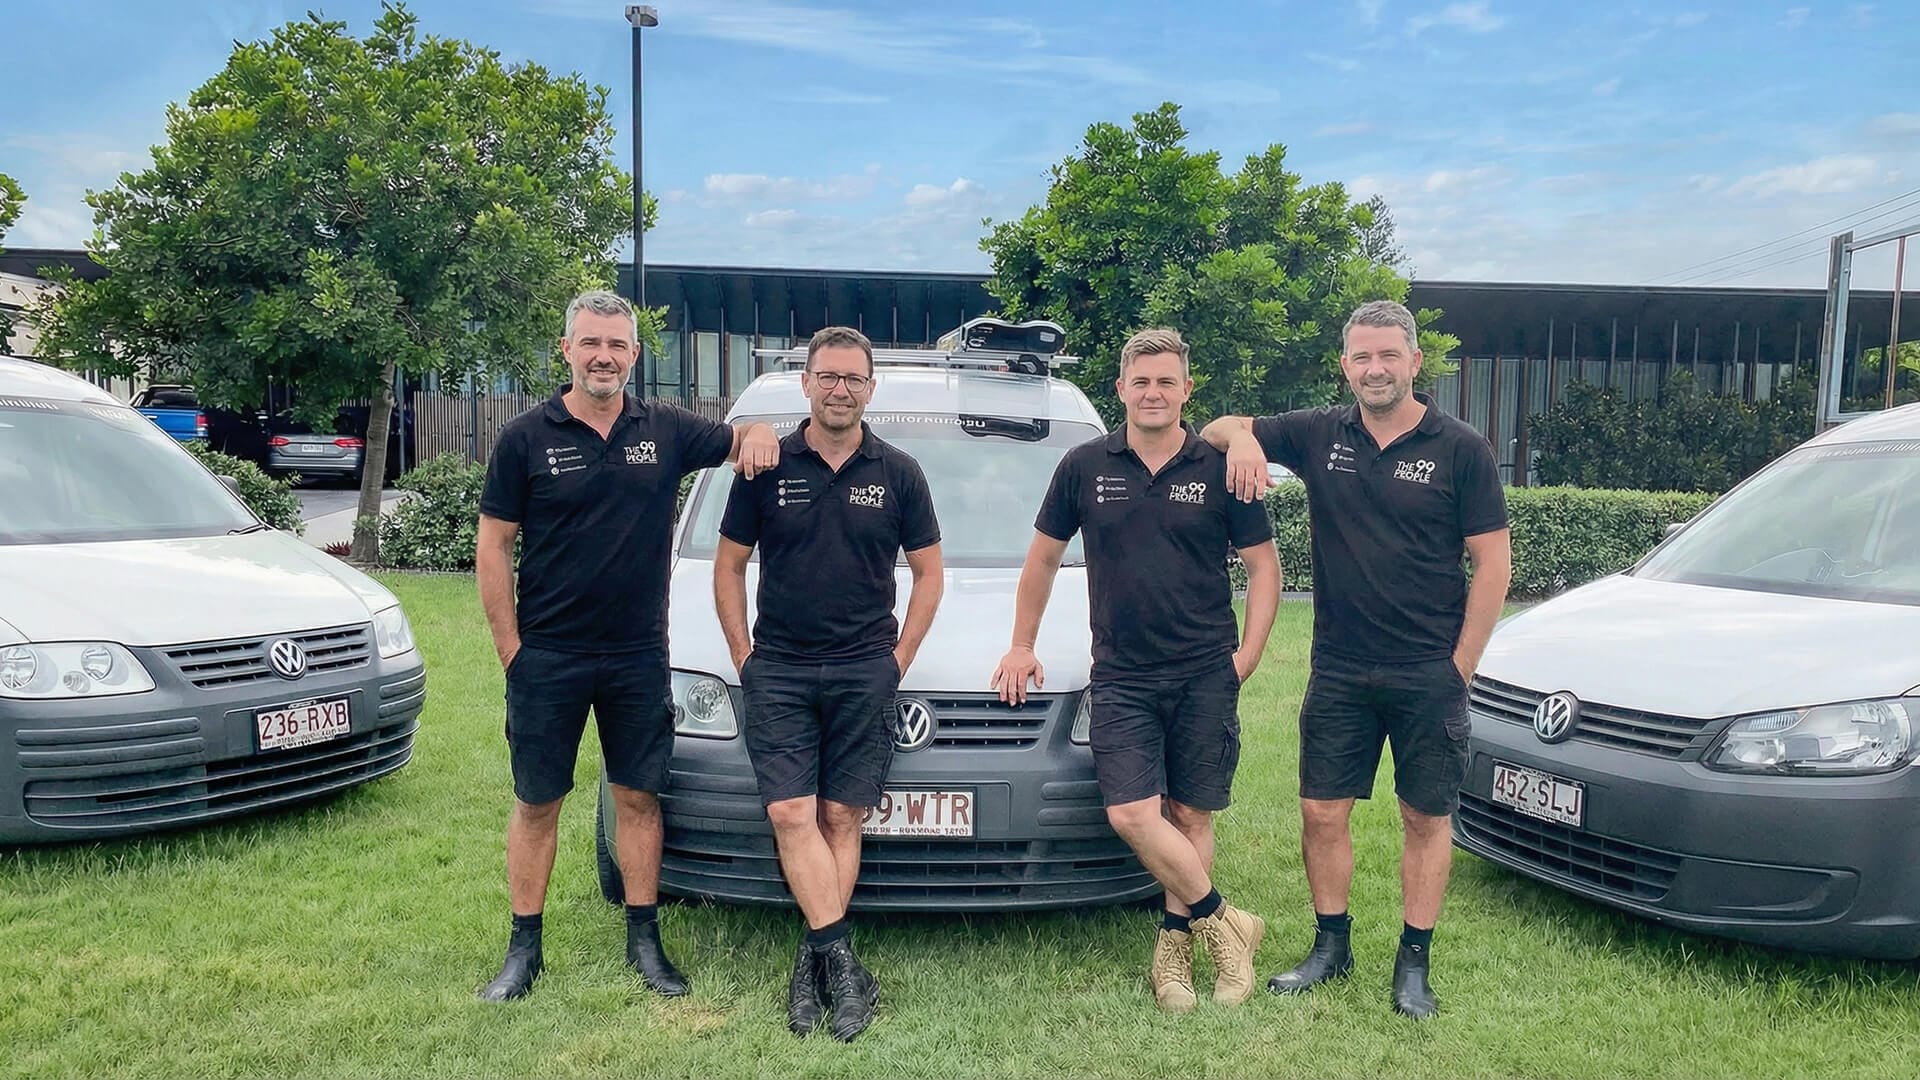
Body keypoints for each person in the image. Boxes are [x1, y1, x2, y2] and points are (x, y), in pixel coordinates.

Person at [1200, 299, 1512, 1020]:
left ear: (1413, 361)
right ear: (1346, 367)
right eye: (1361, 358)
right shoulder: (1318, 433)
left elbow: (1493, 565)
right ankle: (1330, 948)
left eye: (1388, 355)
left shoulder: (1460, 447)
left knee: (1424, 817)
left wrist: (1459, 667)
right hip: (1339, 667)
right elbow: (1217, 427)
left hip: (1427, 672)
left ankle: (1414, 963)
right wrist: (1245, 441)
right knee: (1320, 812)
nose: (1375, 369)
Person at [473, 289, 781, 1002]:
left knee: (639, 798)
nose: (603, 356)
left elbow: (742, 440)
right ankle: (524, 949)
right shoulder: (525, 437)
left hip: (639, 655)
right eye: (590, 343)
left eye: (617, 345)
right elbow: (494, 547)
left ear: (635, 356)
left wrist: (760, 429)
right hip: (546, 654)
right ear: (567, 350)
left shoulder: (664, 430)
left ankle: (645, 941)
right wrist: (510, 650)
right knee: (537, 801)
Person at [990, 327, 1282, 1013]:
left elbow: (1266, 569)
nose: (1153, 393)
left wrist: (1251, 654)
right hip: (1121, 674)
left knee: (1191, 809)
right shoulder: (1084, 465)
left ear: (1186, 390)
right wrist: (1021, 644)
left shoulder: (1219, 468)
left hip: (1206, 670)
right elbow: (1040, 558)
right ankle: (1228, 923)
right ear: (1119, 389)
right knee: (1131, 811)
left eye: (1166, 382)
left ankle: (1175, 955)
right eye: (1140, 381)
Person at [714, 326, 944, 1041]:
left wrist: (897, 660)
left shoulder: (899, 471)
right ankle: (841, 962)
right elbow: (728, 568)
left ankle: (814, 966)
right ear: (807, 383)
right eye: (828, 376)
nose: (840, 389)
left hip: (863, 669)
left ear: (870, 389)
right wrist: (745, 656)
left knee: (842, 818)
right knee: (791, 814)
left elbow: (930, 574)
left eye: (853, 378)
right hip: (778, 667)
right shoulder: (765, 464)